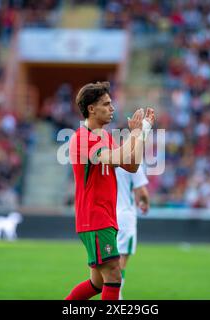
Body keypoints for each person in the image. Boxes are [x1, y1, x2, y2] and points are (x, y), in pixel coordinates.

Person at [66, 81, 155, 300]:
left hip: (106, 217)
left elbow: (131, 165)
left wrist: (143, 132)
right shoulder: (82, 139)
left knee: (97, 283)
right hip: (95, 218)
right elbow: (114, 159)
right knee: (114, 274)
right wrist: (134, 134)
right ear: (91, 109)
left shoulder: (104, 136)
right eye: (106, 104)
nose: (112, 108)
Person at [115, 164, 149, 300]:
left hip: (108, 214)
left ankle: (112, 294)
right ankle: (116, 296)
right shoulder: (132, 163)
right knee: (121, 260)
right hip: (125, 216)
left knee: (109, 260)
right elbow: (142, 191)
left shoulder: (108, 161)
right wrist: (145, 203)